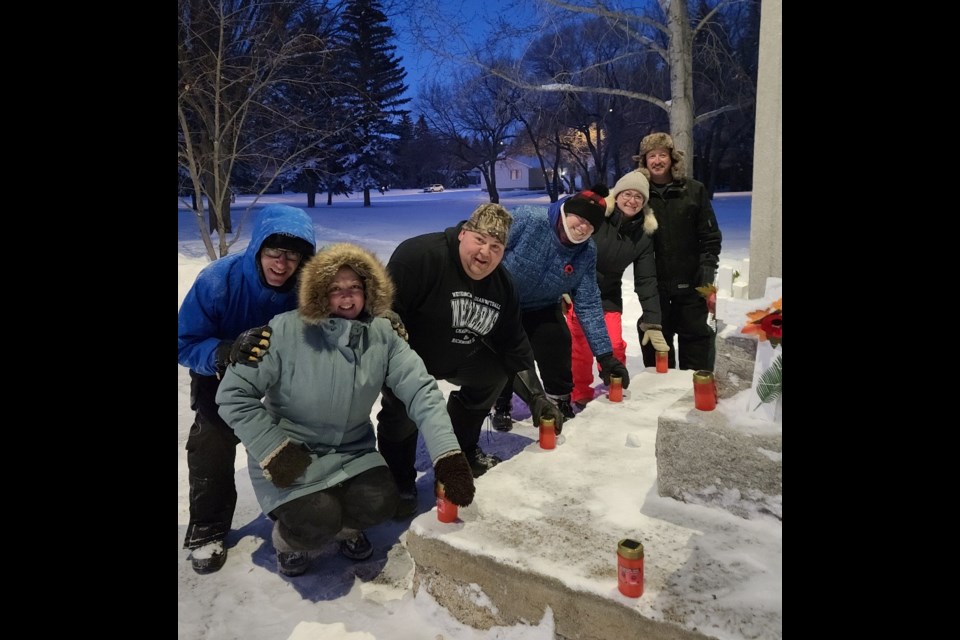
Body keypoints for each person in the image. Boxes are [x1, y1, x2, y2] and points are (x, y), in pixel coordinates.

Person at [216, 243, 476, 577]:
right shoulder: (283, 330)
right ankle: (290, 541)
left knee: (382, 500)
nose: (347, 299)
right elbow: (233, 394)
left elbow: (422, 391)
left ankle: (346, 529)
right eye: (336, 289)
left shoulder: (383, 336)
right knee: (317, 517)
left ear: (369, 291)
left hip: (352, 453)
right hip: (291, 454)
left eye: (355, 288)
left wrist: (448, 457)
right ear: (320, 293)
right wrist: (273, 450)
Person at [376, 204, 564, 516]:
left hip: (459, 355)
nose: (485, 253)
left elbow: (513, 345)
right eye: (479, 240)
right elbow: (384, 315)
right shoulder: (419, 256)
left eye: (496, 246)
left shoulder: (503, 287)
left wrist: (536, 397)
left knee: (494, 371)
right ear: (463, 232)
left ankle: (461, 448)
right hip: (407, 357)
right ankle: (398, 476)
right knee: (402, 410)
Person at [178, 204, 316, 574]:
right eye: (273, 251)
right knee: (212, 438)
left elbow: (347, 310)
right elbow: (184, 342)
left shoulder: (310, 287)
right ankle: (209, 523)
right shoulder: (217, 281)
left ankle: (295, 524)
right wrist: (222, 351)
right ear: (257, 247)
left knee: (297, 437)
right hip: (221, 371)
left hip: (285, 376)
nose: (281, 263)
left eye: (293, 255)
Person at [492, 186, 631, 429]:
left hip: (542, 305)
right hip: (502, 303)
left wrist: (605, 355)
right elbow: (488, 243)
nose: (583, 226)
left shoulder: (586, 252)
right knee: (505, 351)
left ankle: (560, 399)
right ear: (567, 211)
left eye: (591, 224)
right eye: (580, 218)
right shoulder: (529, 219)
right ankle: (501, 402)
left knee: (557, 339)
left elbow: (587, 302)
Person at [566, 169, 669, 409]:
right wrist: (562, 285)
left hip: (608, 294)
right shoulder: (599, 215)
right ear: (618, 194)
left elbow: (646, 278)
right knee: (580, 345)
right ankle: (579, 391)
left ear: (644, 202)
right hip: (578, 289)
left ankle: (614, 383)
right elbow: (569, 245)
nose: (632, 201)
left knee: (613, 344)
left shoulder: (643, 234)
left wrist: (653, 321)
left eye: (638, 197)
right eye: (627, 194)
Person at [634, 132, 722, 370]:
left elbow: (710, 237)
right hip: (655, 290)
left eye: (662, 154)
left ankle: (694, 396)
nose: (657, 161)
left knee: (696, 346)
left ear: (672, 158)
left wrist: (706, 273)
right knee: (656, 348)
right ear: (644, 162)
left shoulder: (694, 191)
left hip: (692, 285)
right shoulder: (638, 196)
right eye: (651, 156)